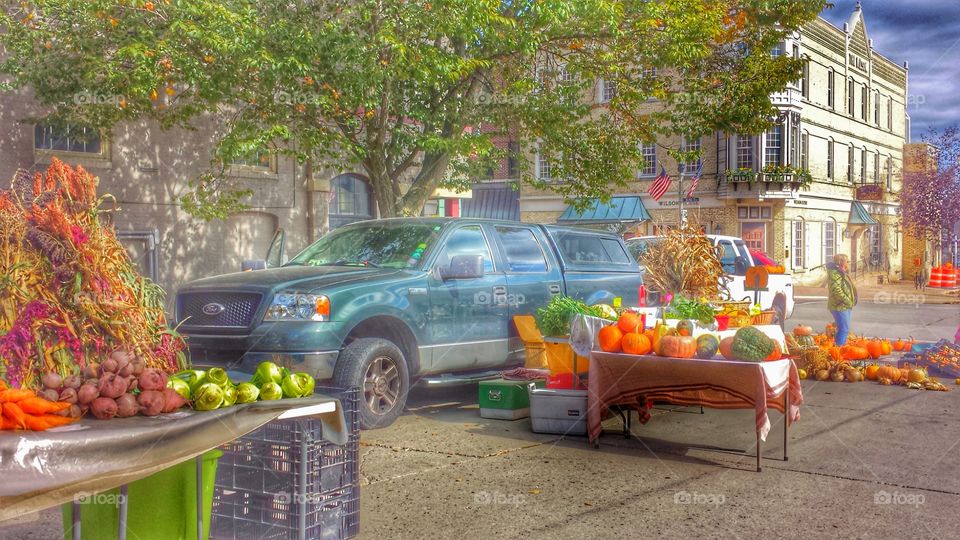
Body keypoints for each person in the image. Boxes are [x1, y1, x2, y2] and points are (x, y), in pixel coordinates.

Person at [826, 254, 858, 346]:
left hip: (844, 305)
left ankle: (838, 347)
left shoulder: (841, 272)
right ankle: (838, 351)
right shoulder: (835, 274)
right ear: (841, 262)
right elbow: (836, 290)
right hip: (839, 305)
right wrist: (847, 300)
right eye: (846, 261)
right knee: (844, 329)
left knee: (843, 328)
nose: (848, 263)